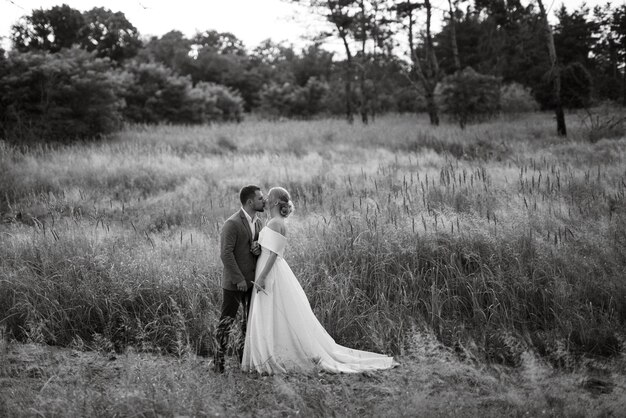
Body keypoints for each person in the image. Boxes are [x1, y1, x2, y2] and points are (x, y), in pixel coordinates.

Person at [242, 187, 398, 374]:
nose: (266, 198)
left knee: (274, 311)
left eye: (269, 196)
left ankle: (275, 354)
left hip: (270, 271)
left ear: (275, 202)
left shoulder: (276, 223)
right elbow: (268, 248)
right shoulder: (272, 221)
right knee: (272, 312)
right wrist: (257, 249)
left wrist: (262, 276)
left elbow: (274, 254)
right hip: (268, 266)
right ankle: (270, 352)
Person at [214, 185, 265, 373]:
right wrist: (239, 279)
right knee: (226, 322)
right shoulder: (232, 223)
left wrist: (257, 249)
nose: (263, 201)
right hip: (235, 283)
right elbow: (225, 254)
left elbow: (256, 249)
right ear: (250, 202)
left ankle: (243, 360)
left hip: (252, 282)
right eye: (260, 198)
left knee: (248, 322)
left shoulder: (259, 223)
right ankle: (218, 363)